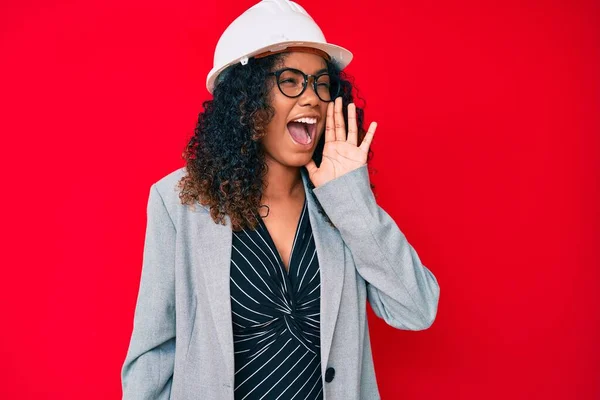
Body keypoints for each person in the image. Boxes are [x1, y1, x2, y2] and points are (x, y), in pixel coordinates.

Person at [121, 0, 440, 399]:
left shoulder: (339, 204)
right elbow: (151, 358)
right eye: (290, 80)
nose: (312, 99)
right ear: (246, 100)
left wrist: (351, 199)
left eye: (321, 83)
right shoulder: (179, 204)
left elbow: (416, 309)